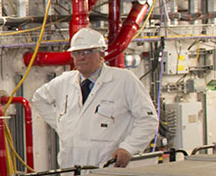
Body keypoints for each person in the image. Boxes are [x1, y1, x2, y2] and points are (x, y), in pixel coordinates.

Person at [32, 27, 158, 168]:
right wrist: (61, 126)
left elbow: (148, 120)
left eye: (88, 52)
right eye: (77, 53)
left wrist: (128, 147)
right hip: (70, 165)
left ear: (101, 54)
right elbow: (39, 99)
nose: (81, 57)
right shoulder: (64, 81)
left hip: (108, 165)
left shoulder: (124, 80)